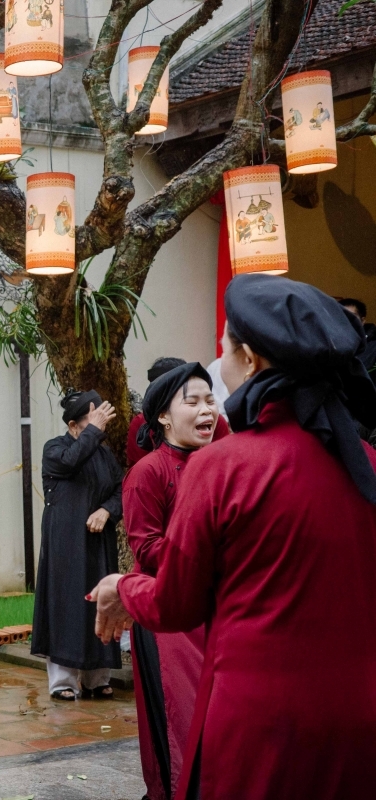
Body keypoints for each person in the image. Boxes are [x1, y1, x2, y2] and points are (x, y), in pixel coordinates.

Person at [91, 274, 376, 800]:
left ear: (247, 358)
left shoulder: (223, 467)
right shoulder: (365, 464)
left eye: (223, 345)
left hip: (261, 724)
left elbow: (176, 602)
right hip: (359, 715)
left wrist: (121, 587)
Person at [124, 362, 219, 800]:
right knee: (178, 724)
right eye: (193, 401)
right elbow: (145, 548)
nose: (208, 410)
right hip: (167, 618)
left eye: (210, 399)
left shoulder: (221, 464)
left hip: (217, 610)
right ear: (163, 416)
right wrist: (206, 560)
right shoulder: (149, 472)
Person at [31, 390, 123, 701]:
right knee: (66, 605)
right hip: (65, 545)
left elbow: (121, 489)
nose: (99, 429)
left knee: (101, 602)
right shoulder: (55, 448)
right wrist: (94, 431)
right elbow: (71, 462)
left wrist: (108, 510)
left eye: (102, 423)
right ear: (73, 426)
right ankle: (63, 682)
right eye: (91, 422)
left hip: (98, 543)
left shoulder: (104, 455)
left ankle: (97, 679)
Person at [126, 357, 229, 468]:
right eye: (192, 402)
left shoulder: (214, 420)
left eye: (209, 401)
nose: (205, 410)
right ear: (163, 414)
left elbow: (225, 463)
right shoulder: (148, 469)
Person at [339, 297, 376, 373]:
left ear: (362, 321)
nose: (346, 320)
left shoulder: (373, 345)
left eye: (352, 316)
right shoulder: (328, 343)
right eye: (341, 316)